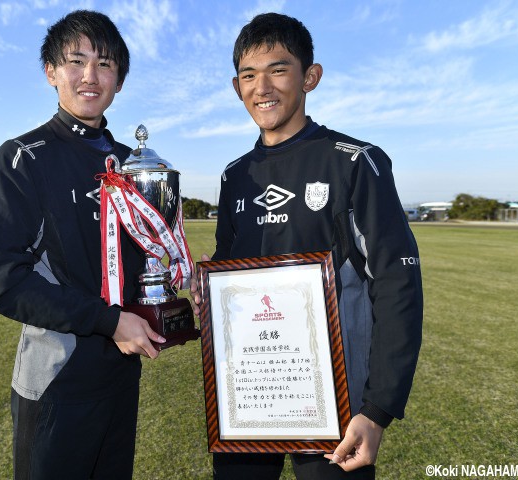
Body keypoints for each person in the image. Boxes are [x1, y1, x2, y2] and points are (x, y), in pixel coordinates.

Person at [191, 12, 423, 479]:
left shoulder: (356, 163)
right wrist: (207, 287)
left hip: (336, 407)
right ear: (237, 87)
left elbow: (398, 283)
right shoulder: (236, 176)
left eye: (278, 70)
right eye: (248, 75)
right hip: (249, 398)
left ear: (310, 77)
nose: (263, 87)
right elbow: (230, 271)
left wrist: (377, 409)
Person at [0, 10, 164, 480]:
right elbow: (4, 282)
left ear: (119, 79)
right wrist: (107, 321)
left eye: (104, 64)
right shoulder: (22, 159)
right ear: (51, 72)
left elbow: (144, 258)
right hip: (57, 381)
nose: (90, 76)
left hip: (122, 374)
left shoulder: (130, 164)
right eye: (76, 61)